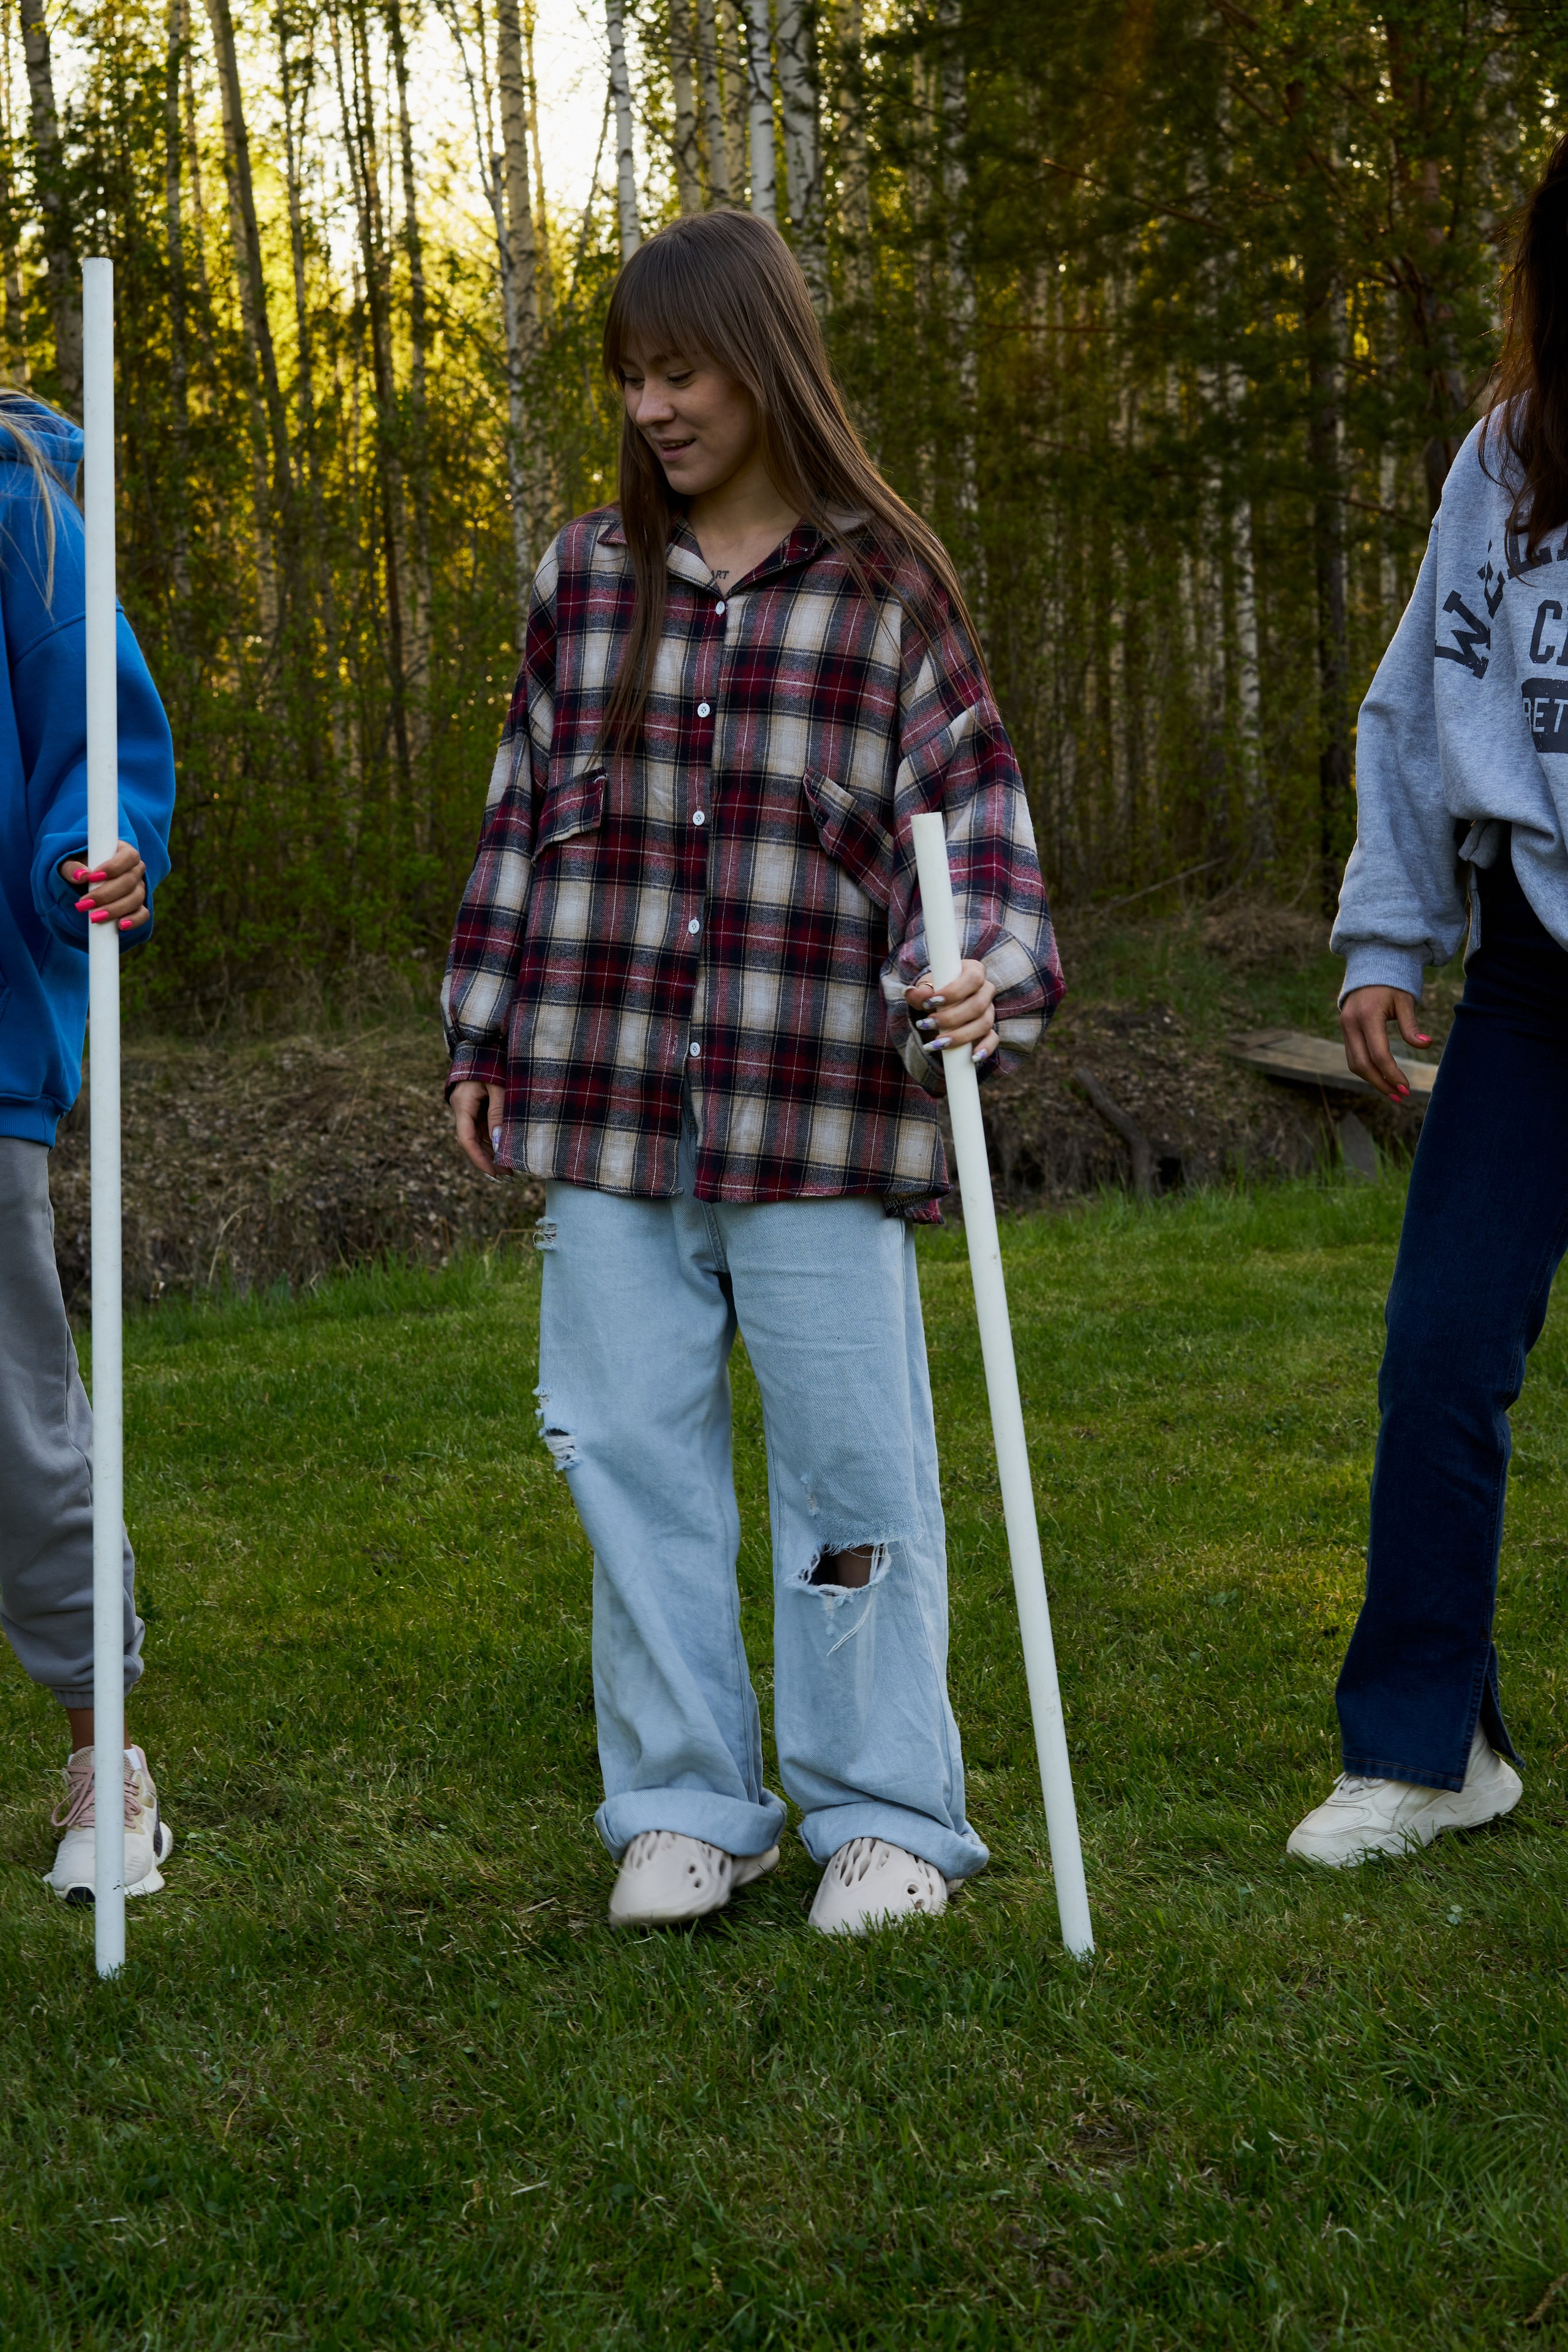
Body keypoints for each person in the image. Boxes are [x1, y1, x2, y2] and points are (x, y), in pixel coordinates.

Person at [444, 211, 1060, 1934]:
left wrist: (984, 973)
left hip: (823, 1105)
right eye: (631, 378)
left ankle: (883, 1816)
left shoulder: (883, 585)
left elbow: (979, 823)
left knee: (853, 1476)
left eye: (682, 369)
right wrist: (483, 1026)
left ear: (764, 365)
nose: (652, 407)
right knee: (628, 1458)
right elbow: (520, 816)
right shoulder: (585, 581)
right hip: (608, 1100)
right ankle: (687, 1804)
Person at [1288, 142, 1568, 1868]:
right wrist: (1387, 938)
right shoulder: (1510, 466)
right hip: (1535, 973)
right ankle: (1426, 1747)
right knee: (1442, 1356)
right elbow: (1414, 707)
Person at [0, 391, 176, 1902]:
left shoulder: (22, 514)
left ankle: (100, 1754)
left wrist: (96, 855)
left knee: (13, 1425)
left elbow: (94, 737)